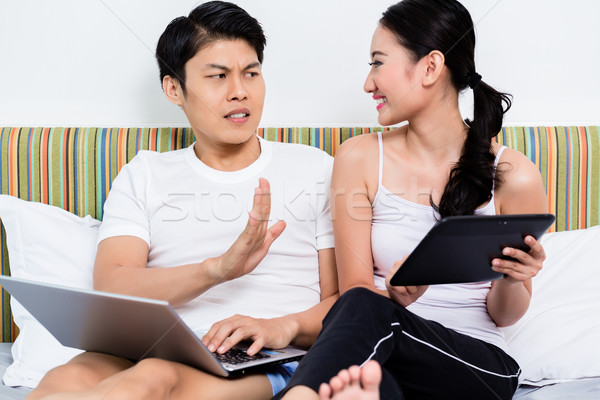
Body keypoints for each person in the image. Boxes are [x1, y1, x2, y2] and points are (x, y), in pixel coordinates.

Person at [27, 2, 338, 399]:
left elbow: (344, 300)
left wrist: (282, 325)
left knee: (154, 379)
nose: (239, 91)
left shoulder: (315, 169)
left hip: (265, 354)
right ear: (174, 88)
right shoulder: (145, 173)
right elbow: (113, 286)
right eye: (218, 76)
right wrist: (217, 270)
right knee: (63, 380)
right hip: (150, 348)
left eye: (251, 73)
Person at [277, 0, 547, 399]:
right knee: (368, 385)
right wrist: (397, 296)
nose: (368, 84)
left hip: (480, 367)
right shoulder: (358, 158)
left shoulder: (513, 174)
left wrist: (514, 276)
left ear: (430, 67)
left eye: (377, 63)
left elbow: (504, 315)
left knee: (370, 317)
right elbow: (354, 295)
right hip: (388, 357)